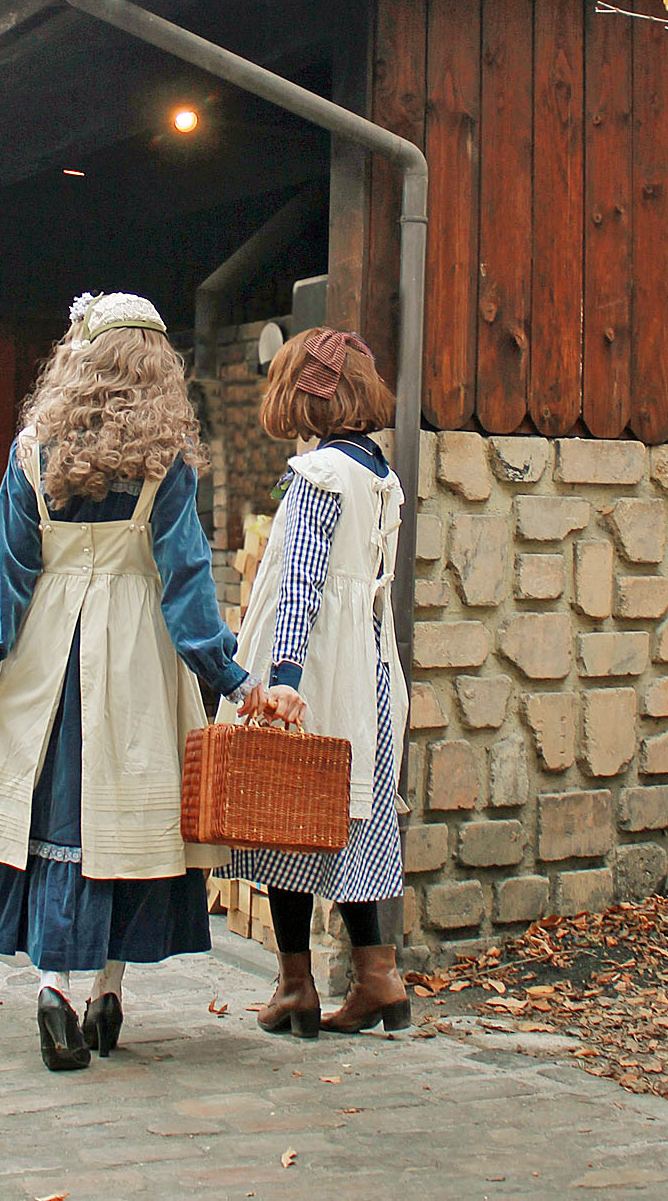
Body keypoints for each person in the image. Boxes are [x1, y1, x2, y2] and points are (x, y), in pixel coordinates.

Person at [0, 291, 262, 1072]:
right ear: (158, 371)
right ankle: (109, 993)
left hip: (48, 658)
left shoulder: (32, 453)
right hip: (135, 662)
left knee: (59, 814)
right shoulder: (167, 464)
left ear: (79, 360)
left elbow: (10, 579)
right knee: (129, 822)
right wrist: (230, 675)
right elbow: (187, 584)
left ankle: (54, 990)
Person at [216, 327, 411, 1038]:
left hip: (318, 667)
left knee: (287, 815)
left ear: (310, 393)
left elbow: (301, 582)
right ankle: (379, 978)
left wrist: (285, 677)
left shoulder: (320, 474)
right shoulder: (378, 474)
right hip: (368, 667)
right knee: (353, 823)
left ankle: (295, 984)